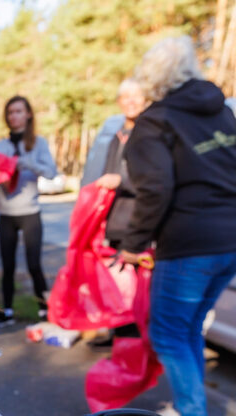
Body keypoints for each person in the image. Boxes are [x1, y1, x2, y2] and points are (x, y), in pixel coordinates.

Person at [119, 36, 236, 416]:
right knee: (189, 328)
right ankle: (188, 407)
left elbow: (154, 189)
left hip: (192, 245)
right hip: (235, 239)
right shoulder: (221, 112)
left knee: (170, 334)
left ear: (152, 75)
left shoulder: (154, 123)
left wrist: (132, 244)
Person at [0, 95, 59, 327]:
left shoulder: (38, 143)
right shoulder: (0, 146)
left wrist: (28, 164)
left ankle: (44, 311)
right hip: (6, 214)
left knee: (34, 264)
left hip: (30, 212)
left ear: (28, 114)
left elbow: (51, 172)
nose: (14, 116)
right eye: (10, 112)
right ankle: (7, 312)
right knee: (7, 266)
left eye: (19, 111)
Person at [88, 78, 148, 349]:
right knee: (116, 284)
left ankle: (131, 343)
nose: (131, 102)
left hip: (138, 222)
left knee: (135, 288)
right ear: (119, 102)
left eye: (137, 96)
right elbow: (106, 174)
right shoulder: (117, 135)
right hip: (115, 222)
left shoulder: (149, 135)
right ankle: (117, 335)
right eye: (126, 97)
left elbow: (150, 181)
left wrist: (121, 181)